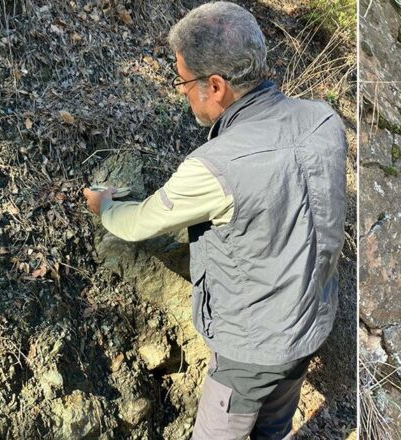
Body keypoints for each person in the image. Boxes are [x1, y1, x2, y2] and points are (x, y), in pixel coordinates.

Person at [82, 2, 347, 439]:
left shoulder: (216, 165)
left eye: (184, 81)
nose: (182, 91)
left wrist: (104, 205)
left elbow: (138, 223)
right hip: (312, 323)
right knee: (274, 429)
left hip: (250, 353)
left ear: (217, 86)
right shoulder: (324, 119)